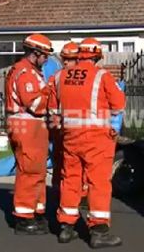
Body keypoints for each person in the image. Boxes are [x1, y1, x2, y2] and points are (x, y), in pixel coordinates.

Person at [53, 38, 125, 248]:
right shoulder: (102, 75)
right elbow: (118, 105)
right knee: (98, 183)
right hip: (96, 138)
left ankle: (66, 227)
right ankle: (99, 231)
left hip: (70, 137)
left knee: (71, 179)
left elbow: (52, 106)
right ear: (97, 56)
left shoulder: (60, 76)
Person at [5, 33, 53, 235]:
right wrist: (53, 95)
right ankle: (24, 219)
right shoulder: (25, 73)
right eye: (45, 56)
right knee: (29, 171)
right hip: (27, 126)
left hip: (32, 127)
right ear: (35, 53)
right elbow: (35, 104)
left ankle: (36, 211)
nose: (47, 60)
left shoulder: (32, 71)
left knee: (37, 171)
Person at [47, 41, 80, 190]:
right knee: (60, 164)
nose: (66, 62)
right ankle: (58, 193)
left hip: (80, 130)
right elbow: (52, 106)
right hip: (62, 130)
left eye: (70, 59)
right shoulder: (56, 77)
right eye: (64, 59)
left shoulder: (87, 78)